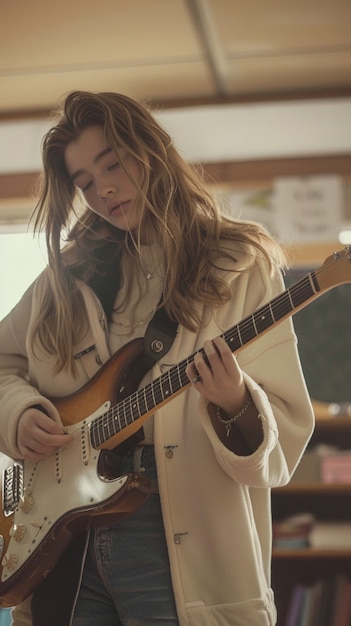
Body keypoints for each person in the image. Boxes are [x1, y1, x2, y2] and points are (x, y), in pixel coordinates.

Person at [0, 91, 314, 626]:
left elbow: (285, 430)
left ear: (152, 150)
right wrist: (19, 412)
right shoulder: (63, 277)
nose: (104, 191)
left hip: (179, 530)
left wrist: (236, 401)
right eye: (84, 183)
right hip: (64, 539)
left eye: (113, 165)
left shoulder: (240, 264)